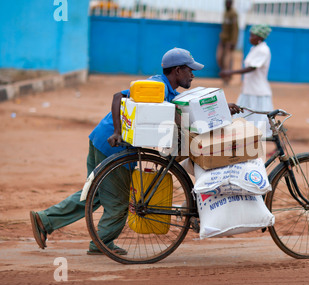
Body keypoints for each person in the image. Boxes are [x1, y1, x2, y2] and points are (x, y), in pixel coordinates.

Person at [30, 48, 241, 255]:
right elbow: (117, 97)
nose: (193, 75)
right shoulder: (156, 86)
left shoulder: (166, 90)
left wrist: (223, 109)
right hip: (114, 145)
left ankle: (46, 220)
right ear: (177, 70)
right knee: (118, 203)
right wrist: (118, 131)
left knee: (95, 193)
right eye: (189, 70)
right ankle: (101, 243)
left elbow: (189, 111)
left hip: (100, 140)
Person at [219, 24, 273, 138]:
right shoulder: (255, 49)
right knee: (244, 121)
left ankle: (270, 149)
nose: (250, 38)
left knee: (260, 125)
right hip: (248, 90)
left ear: (259, 37)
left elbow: (252, 68)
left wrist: (230, 72)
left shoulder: (263, 50)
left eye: (252, 36)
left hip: (258, 93)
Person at [216, 0, 239, 85]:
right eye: (226, 3)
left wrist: (233, 41)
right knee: (219, 58)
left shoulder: (233, 14)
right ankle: (225, 74)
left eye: (229, 3)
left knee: (227, 61)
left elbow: (235, 28)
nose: (227, 4)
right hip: (223, 39)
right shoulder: (225, 12)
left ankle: (227, 78)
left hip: (230, 41)